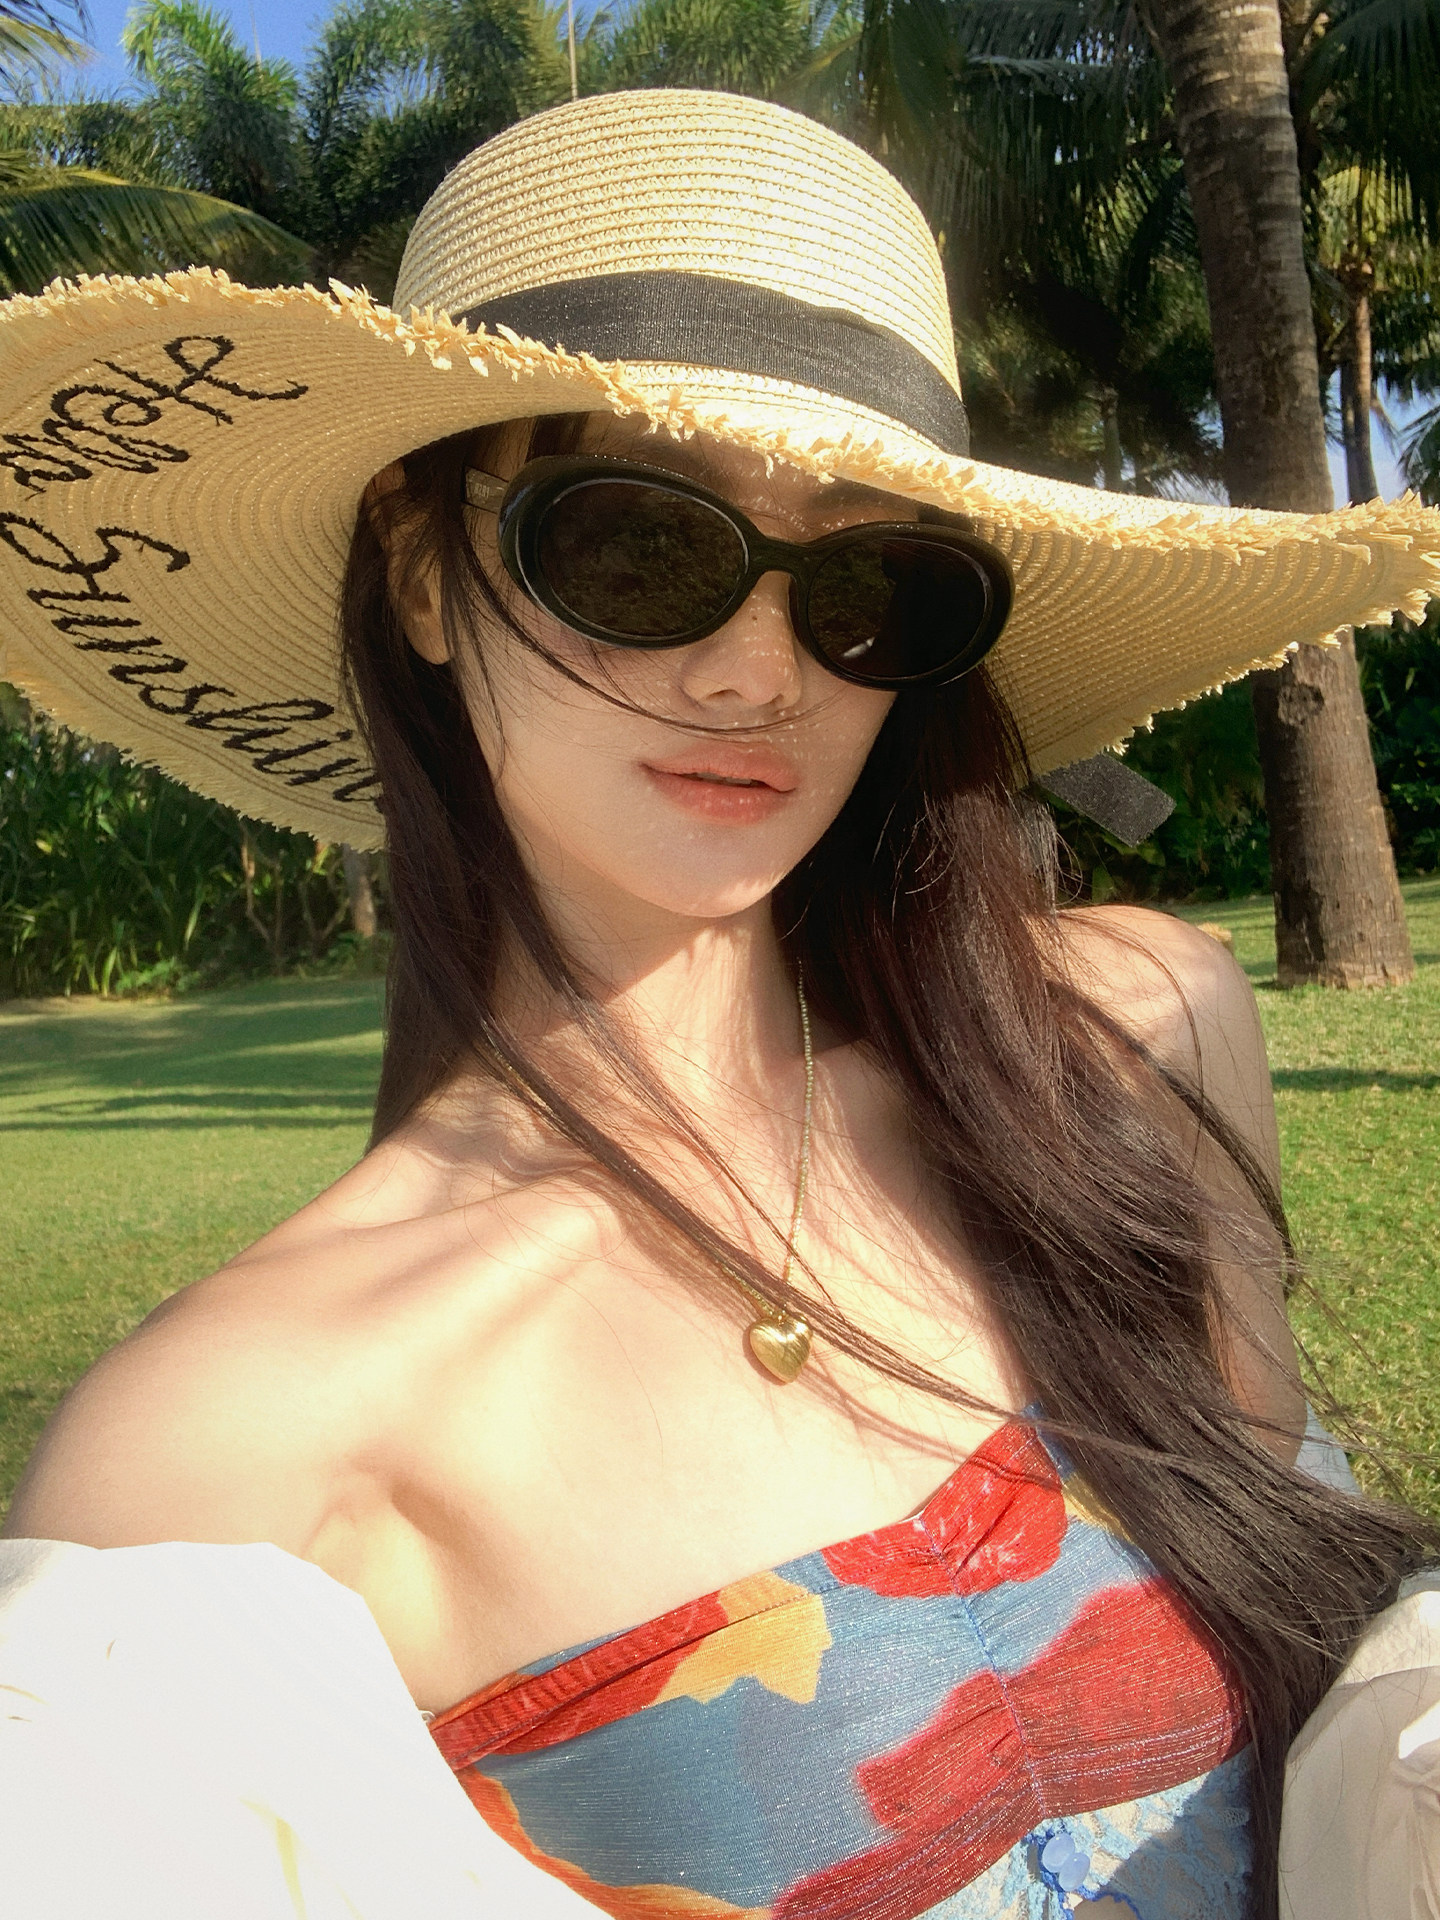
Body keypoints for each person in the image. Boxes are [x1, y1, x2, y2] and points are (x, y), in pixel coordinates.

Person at [2, 87, 1438, 1920]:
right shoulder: (232, 1450)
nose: (759, 674)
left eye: (874, 583)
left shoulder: (1132, 1041)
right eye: (638, 546)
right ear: (425, 574)